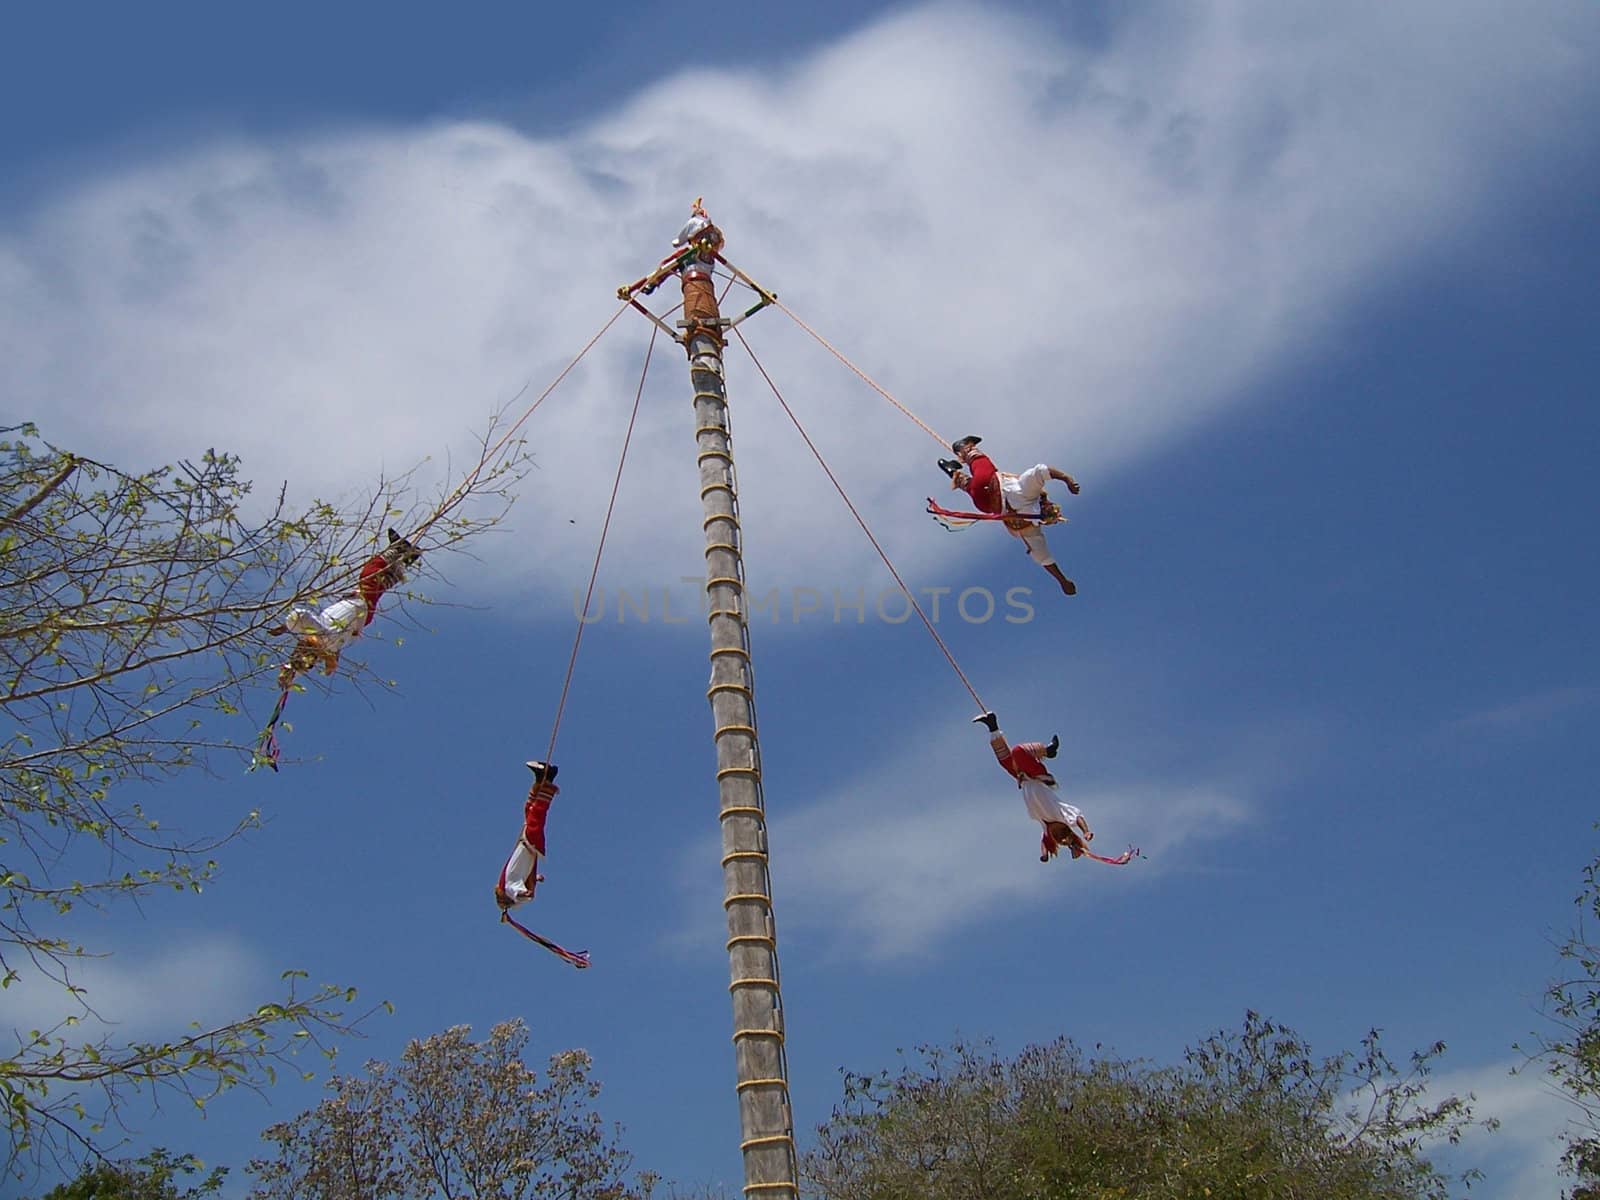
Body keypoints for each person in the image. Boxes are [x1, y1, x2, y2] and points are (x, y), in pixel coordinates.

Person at [273, 527, 421, 688]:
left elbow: (306, 659)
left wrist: (291, 673)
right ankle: (398, 550)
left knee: (382, 580)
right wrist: (288, 626)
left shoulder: (330, 645)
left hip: (361, 612)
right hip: (359, 605)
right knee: (370, 573)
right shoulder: (321, 634)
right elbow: (300, 615)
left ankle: (405, 559)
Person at [940, 436, 1080, 596]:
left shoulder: (1031, 523)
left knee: (975, 482)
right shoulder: (1030, 497)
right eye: (1050, 509)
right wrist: (1067, 479)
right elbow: (1041, 472)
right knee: (977, 481)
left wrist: (1063, 581)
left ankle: (959, 460)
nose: (1047, 511)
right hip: (990, 493)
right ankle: (959, 459)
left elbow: (1044, 557)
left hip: (989, 501)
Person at [972, 710, 1094, 862]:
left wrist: (1044, 855)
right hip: (1038, 777)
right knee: (1018, 751)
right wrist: (1086, 832)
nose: (1055, 833)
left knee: (1004, 759)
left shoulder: (1043, 824)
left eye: (1055, 836)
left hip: (1022, 778)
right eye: (1060, 833)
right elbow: (1078, 817)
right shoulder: (1062, 815)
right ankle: (1047, 751)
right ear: (1066, 829)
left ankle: (992, 725)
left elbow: (1045, 843)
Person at [496, 761, 559, 910]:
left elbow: (522, 878)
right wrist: (525, 894)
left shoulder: (509, 883)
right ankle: (547, 781)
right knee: (536, 814)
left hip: (527, 844)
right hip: (530, 844)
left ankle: (541, 778)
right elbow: (518, 892)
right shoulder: (509, 888)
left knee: (530, 812)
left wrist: (535, 880)